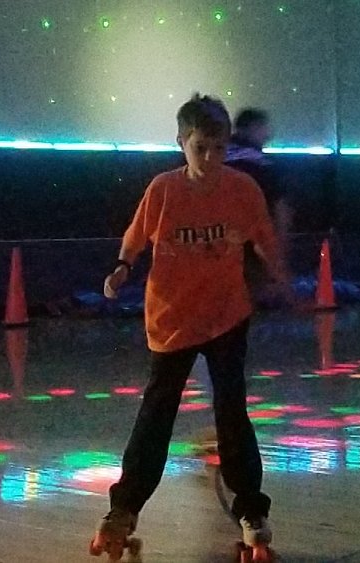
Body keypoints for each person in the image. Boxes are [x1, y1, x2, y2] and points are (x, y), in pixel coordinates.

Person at [90, 93, 285, 560]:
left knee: (232, 412)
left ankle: (251, 510)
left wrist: (284, 280)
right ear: (182, 143)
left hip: (225, 315)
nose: (211, 159)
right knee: (157, 414)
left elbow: (263, 238)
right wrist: (121, 268)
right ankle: (124, 509)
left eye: (219, 149)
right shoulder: (164, 191)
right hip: (172, 319)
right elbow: (135, 237)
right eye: (201, 148)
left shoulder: (242, 190)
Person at [226, 108, 293, 306]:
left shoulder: (214, 157)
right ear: (254, 128)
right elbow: (281, 209)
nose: (268, 133)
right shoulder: (262, 165)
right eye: (265, 127)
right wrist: (279, 251)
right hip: (250, 239)